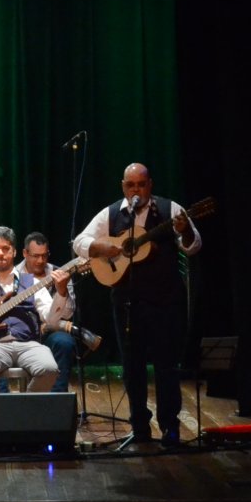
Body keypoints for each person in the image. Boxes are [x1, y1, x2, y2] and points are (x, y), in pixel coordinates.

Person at [73, 162, 202, 447]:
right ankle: (140, 427)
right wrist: (101, 248)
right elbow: (79, 242)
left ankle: (170, 427)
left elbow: (193, 245)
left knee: (167, 365)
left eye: (141, 185)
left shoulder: (170, 210)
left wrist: (186, 231)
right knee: (132, 367)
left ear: (150, 185)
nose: (136, 190)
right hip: (128, 304)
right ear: (123, 186)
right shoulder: (112, 213)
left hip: (166, 301)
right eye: (130, 185)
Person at [0, 226, 68, 394]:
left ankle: (24, 409)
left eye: (5, 248)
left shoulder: (31, 282)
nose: (0, 253)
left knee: (49, 368)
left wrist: (61, 292)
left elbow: (51, 319)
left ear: (14, 252)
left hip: (28, 344)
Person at [7, 232, 77, 394]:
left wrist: (62, 290)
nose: (40, 261)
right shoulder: (13, 275)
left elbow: (68, 313)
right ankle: (2, 403)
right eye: (35, 256)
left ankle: (57, 401)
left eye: (44, 256)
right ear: (25, 253)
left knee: (64, 342)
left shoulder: (60, 273)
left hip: (51, 332)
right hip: (21, 335)